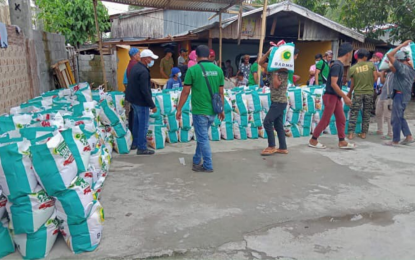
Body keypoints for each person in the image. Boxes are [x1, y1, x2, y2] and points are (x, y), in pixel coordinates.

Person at [176, 45, 225, 172]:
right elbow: (221, 93)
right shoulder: (218, 70)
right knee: (201, 136)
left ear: (196, 56)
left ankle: (208, 165)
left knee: (203, 138)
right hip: (213, 111)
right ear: (209, 56)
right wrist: (222, 109)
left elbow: (185, 92)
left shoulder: (193, 70)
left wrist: (179, 108)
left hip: (200, 111)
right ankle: (197, 159)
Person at [308, 43, 356, 149]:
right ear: (348, 54)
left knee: (341, 118)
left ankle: (342, 141)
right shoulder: (337, 65)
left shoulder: (338, 65)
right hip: (331, 96)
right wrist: (345, 96)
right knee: (325, 120)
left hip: (335, 97)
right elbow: (333, 84)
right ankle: (313, 140)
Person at [259, 47, 291, 155]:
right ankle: (283, 147)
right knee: (278, 125)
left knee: (267, 122)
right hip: (275, 101)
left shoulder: (283, 70)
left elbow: (277, 85)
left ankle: (271, 146)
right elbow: (260, 62)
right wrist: (269, 51)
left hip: (279, 101)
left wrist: (275, 72)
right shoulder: (272, 69)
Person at [125, 49, 159, 155]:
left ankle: (135, 143)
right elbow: (145, 91)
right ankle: (142, 147)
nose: (152, 60)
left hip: (133, 100)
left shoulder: (136, 67)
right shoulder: (143, 71)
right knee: (143, 125)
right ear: (145, 59)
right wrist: (152, 105)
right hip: (141, 102)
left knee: (137, 123)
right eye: (151, 58)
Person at [385, 40, 415, 146]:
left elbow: (389, 55)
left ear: (400, 60)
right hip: (405, 95)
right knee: (400, 116)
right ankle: (408, 136)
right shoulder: (411, 70)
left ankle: (395, 140)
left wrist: (402, 45)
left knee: (395, 118)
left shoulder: (402, 67)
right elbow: (395, 71)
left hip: (400, 94)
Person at [347, 49, 377, 140]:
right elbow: (375, 78)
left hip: (357, 93)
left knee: (354, 113)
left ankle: (351, 134)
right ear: (364, 57)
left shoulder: (352, 68)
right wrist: (369, 83)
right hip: (369, 92)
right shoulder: (371, 65)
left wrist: (349, 93)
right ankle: (364, 133)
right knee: (366, 113)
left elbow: (352, 83)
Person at [373, 64, 394, 139]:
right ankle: (380, 130)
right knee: (378, 113)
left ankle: (390, 133)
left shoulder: (396, 74)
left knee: (388, 116)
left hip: (389, 97)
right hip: (382, 95)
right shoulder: (388, 74)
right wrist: (382, 72)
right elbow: (382, 81)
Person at [123, 48, 140, 132]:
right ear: (134, 55)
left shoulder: (131, 64)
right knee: (135, 114)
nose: (139, 55)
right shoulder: (134, 65)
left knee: (132, 114)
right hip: (135, 93)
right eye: (138, 54)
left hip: (132, 92)